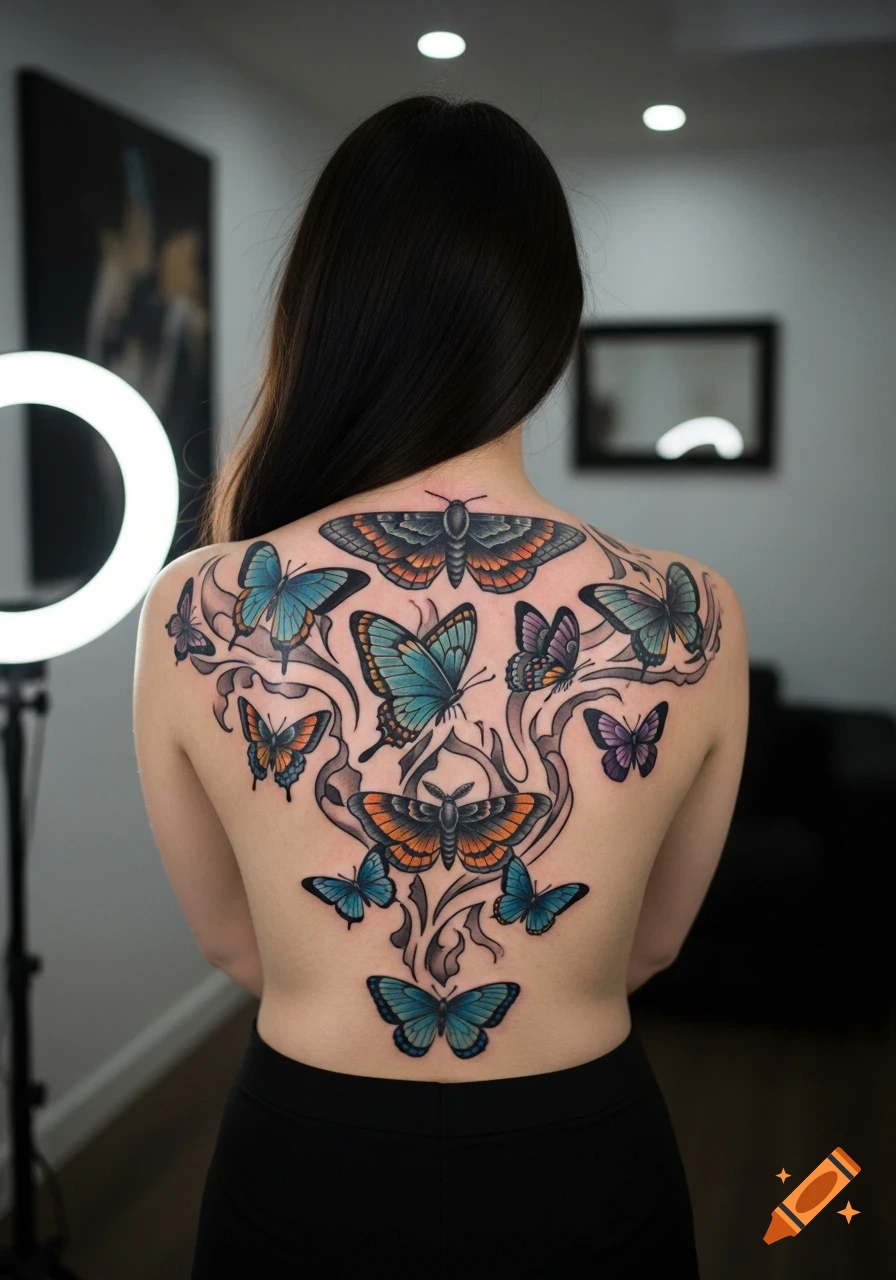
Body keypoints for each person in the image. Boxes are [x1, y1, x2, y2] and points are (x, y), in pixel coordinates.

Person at [134, 96, 747, 1278]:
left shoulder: (202, 604)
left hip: (305, 1157)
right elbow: (651, 941)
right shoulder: (690, 610)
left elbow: (236, 943)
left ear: (318, 311)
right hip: (585, 1157)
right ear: (550, 318)